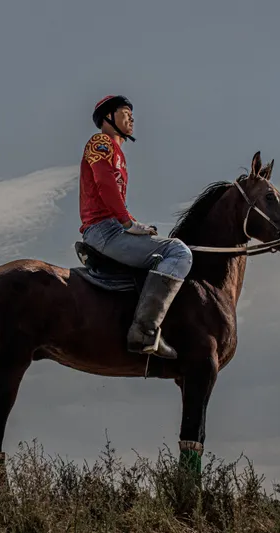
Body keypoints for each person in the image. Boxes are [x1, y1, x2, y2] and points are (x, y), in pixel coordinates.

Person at [79, 95, 193, 360]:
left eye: (132, 114)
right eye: (125, 112)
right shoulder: (101, 142)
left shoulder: (116, 150)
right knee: (178, 253)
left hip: (109, 228)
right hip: (105, 230)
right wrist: (128, 223)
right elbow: (105, 185)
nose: (131, 118)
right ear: (108, 117)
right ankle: (145, 330)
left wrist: (131, 222)